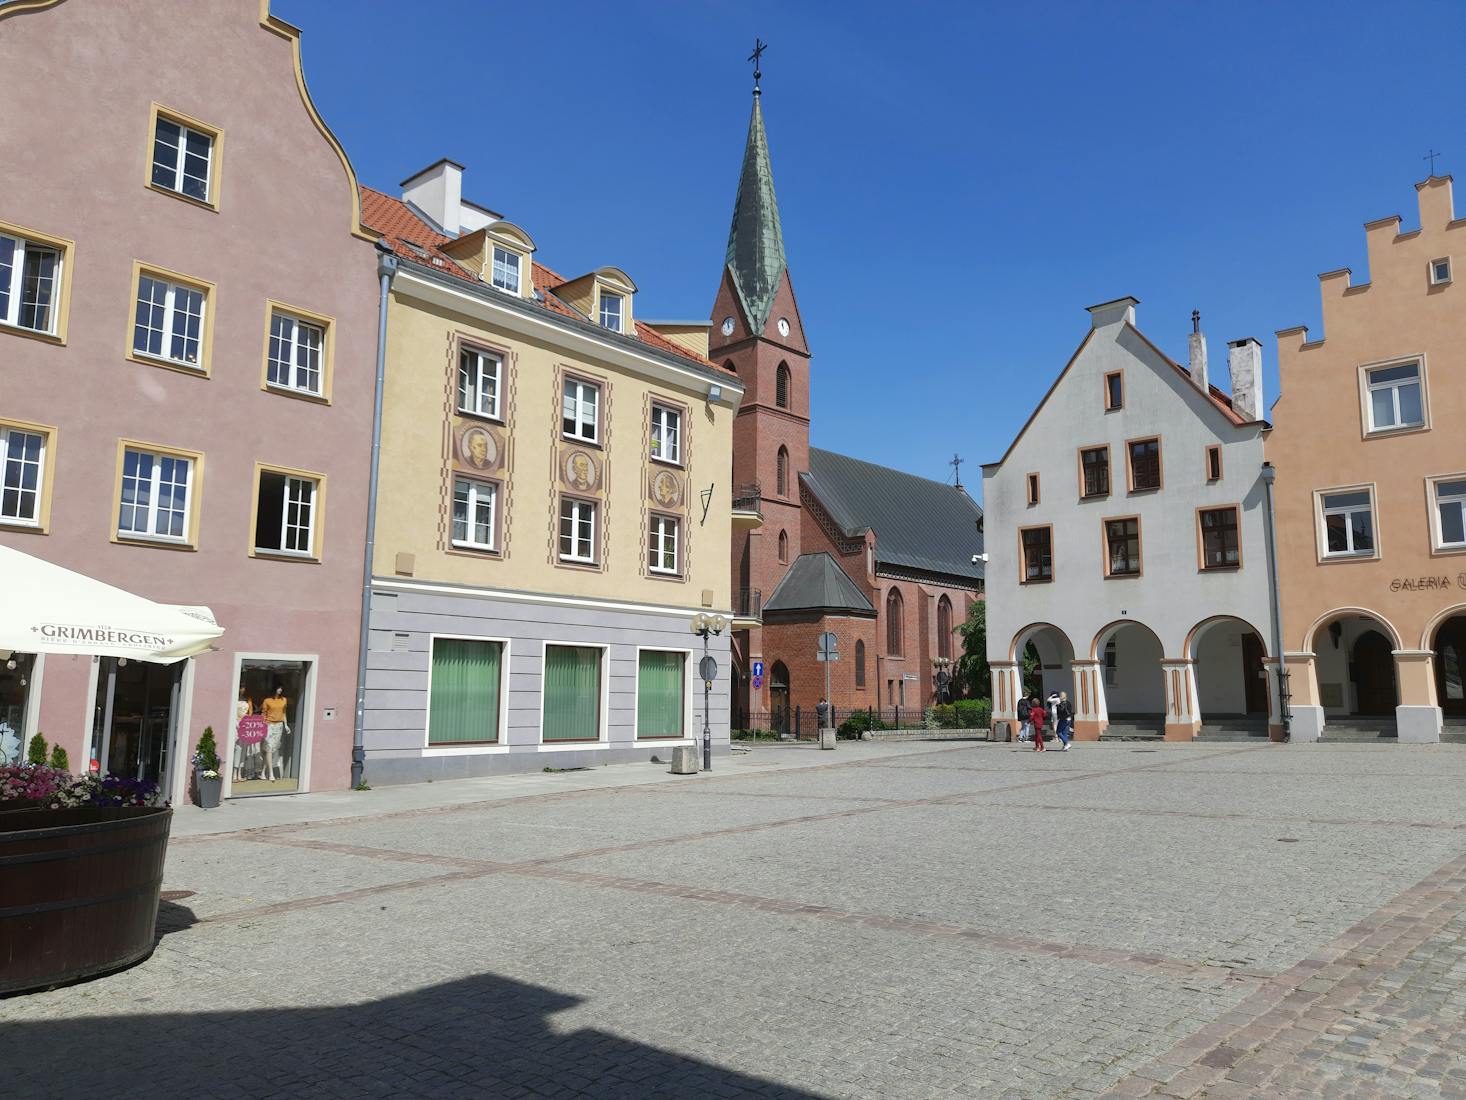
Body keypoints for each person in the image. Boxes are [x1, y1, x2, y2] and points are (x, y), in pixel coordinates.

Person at [259, 684, 290, 783]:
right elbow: (263, 713)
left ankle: (263, 772)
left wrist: (286, 725)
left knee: (272, 750)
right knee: (269, 748)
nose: (280, 689)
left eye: (281, 688)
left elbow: (284, 713)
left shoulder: (284, 700)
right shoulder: (267, 700)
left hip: (279, 725)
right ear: (274, 688)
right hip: (269, 725)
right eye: (278, 687)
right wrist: (263, 725)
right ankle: (271, 773)